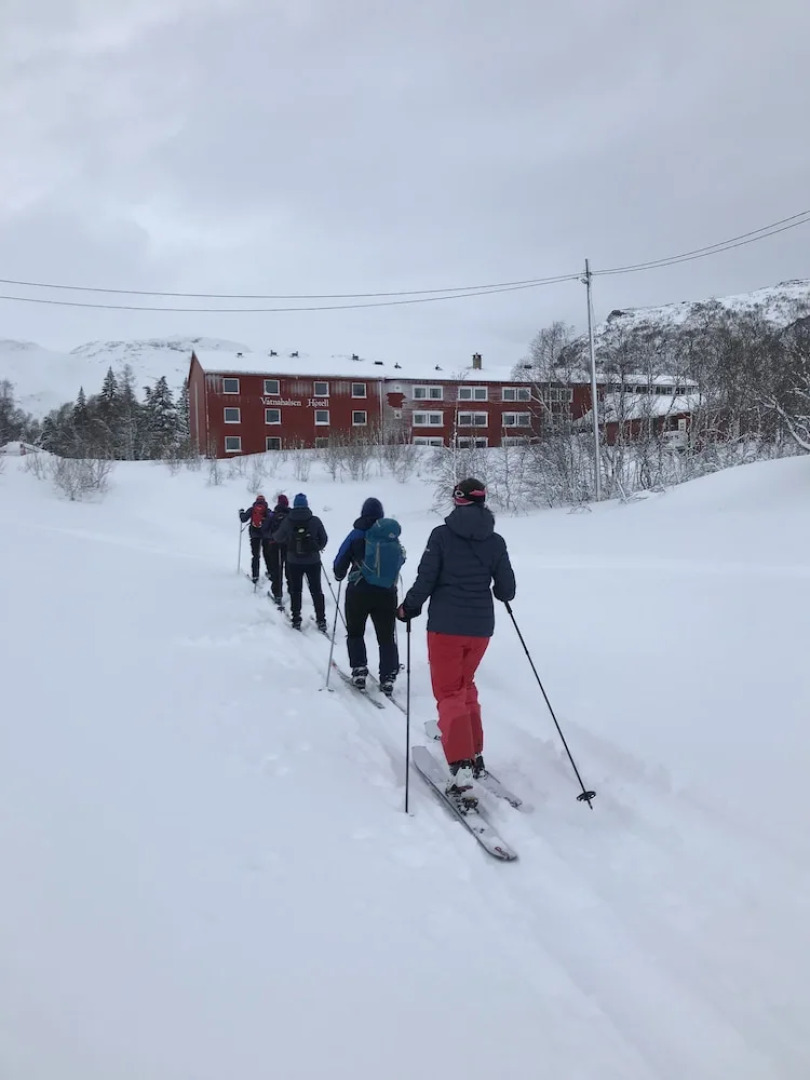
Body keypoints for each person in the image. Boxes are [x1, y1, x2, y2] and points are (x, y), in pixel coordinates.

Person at [397, 478, 515, 804]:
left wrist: (409, 606)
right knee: (465, 686)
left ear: (457, 499)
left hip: (446, 628)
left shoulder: (442, 535)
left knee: (449, 692)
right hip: (480, 630)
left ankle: (461, 766)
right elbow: (507, 590)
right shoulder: (495, 540)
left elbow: (426, 578)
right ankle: (474, 752)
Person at [333, 497, 405, 694]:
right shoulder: (391, 536)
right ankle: (388, 676)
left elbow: (340, 560)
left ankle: (359, 669)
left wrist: (340, 574)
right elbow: (400, 559)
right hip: (387, 592)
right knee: (386, 635)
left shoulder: (356, 534)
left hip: (359, 590)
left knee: (356, 631)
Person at [272, 493, 328, 631]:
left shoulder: (288, 520)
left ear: (295, 505)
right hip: (313, 561)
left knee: (296, 590)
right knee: (316, 590)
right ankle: (321, 620)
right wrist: (317, 548)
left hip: (293, 561)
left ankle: (296, 618)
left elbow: (279, 537)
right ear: (306, 504)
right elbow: (324, 538)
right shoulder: (315, 520)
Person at [262, 493, 291, 608]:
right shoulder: (291, 515)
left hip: (275, 546)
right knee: (289, 570)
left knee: (277, 570)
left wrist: (272, 537)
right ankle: (292, 590)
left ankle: (277, 594)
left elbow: (264, 529)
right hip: (290, 546)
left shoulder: (272, 515)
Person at [239, 494, 272, 583]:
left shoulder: (252, 509)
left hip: (255, 535)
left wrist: (241, 513)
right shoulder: (268, 511)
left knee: (256, 556)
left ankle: (255, 576)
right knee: (267, 555)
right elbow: (272, 521)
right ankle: (271, 573)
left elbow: (243, 519)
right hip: (266, 536)